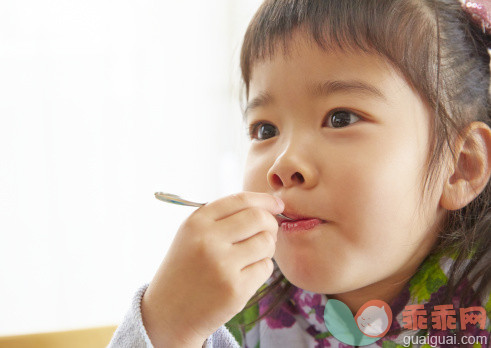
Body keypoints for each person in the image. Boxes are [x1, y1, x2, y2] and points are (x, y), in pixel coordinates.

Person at [107, 0, 491, 347]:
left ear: (460, 168)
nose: (282, 164)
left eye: (340, 119)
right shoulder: (230, 305)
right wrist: (168, 327)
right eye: (265, 130)